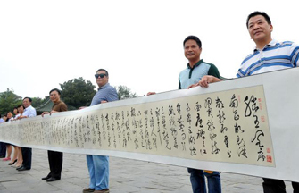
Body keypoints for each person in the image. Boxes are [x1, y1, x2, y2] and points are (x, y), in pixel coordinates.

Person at [192, 11, 299, 193]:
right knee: (272, 182)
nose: (255, 27)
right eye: (251, 25)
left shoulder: (290, 49)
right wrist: (214, 81)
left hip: (293, 125)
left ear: (270, 26)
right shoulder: (246, 63)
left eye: (259, 23)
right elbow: (236, 90)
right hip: (265, 130)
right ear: (249, 32)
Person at [148, 36, 221, 193]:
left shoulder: (209, 67)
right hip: (188, 126)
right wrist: (158, 96)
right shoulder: (182, 74)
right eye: (186, 47)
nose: (189, 49)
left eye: (193, 46)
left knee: (211, 170)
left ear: (200, 49)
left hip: (207, 125)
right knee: (193, 169)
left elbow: (222, 88)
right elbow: (180, 96)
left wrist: (211, 80)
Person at [81, 69, 118, 193]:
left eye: (101, 75)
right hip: (92, 129)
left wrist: (107, 105)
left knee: (100, 159)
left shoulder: (110, 90)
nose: (99, 77)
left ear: (107, 77)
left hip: (101, 130)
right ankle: (93, 185)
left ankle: (102, 187)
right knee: (91, 159)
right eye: (96, 76)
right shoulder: (99, 92)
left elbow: (116, 108)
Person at [41, 88, 68, 182]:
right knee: (51, 154)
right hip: (51, 133)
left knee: (57, 155)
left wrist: (57, 113)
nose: (52, 96)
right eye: (51, 95)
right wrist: (48, 114)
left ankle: (57, 174)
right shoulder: (54, 105)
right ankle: (51, 172)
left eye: (54, 95)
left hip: (58, 134)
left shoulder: (62, 105)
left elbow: (66, 116)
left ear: (59, 95)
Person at [17, 97, 37, 171]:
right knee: (23, 149)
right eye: (24, 102)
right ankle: (24, 164)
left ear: (30, 102)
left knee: (27, 149)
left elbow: (32, 118)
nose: (25, 103)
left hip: (28, 131)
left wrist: (24, 116)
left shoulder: (32, 109)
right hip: (23, 130)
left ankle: (27, 165)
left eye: (26, 101)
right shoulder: (25, 110)